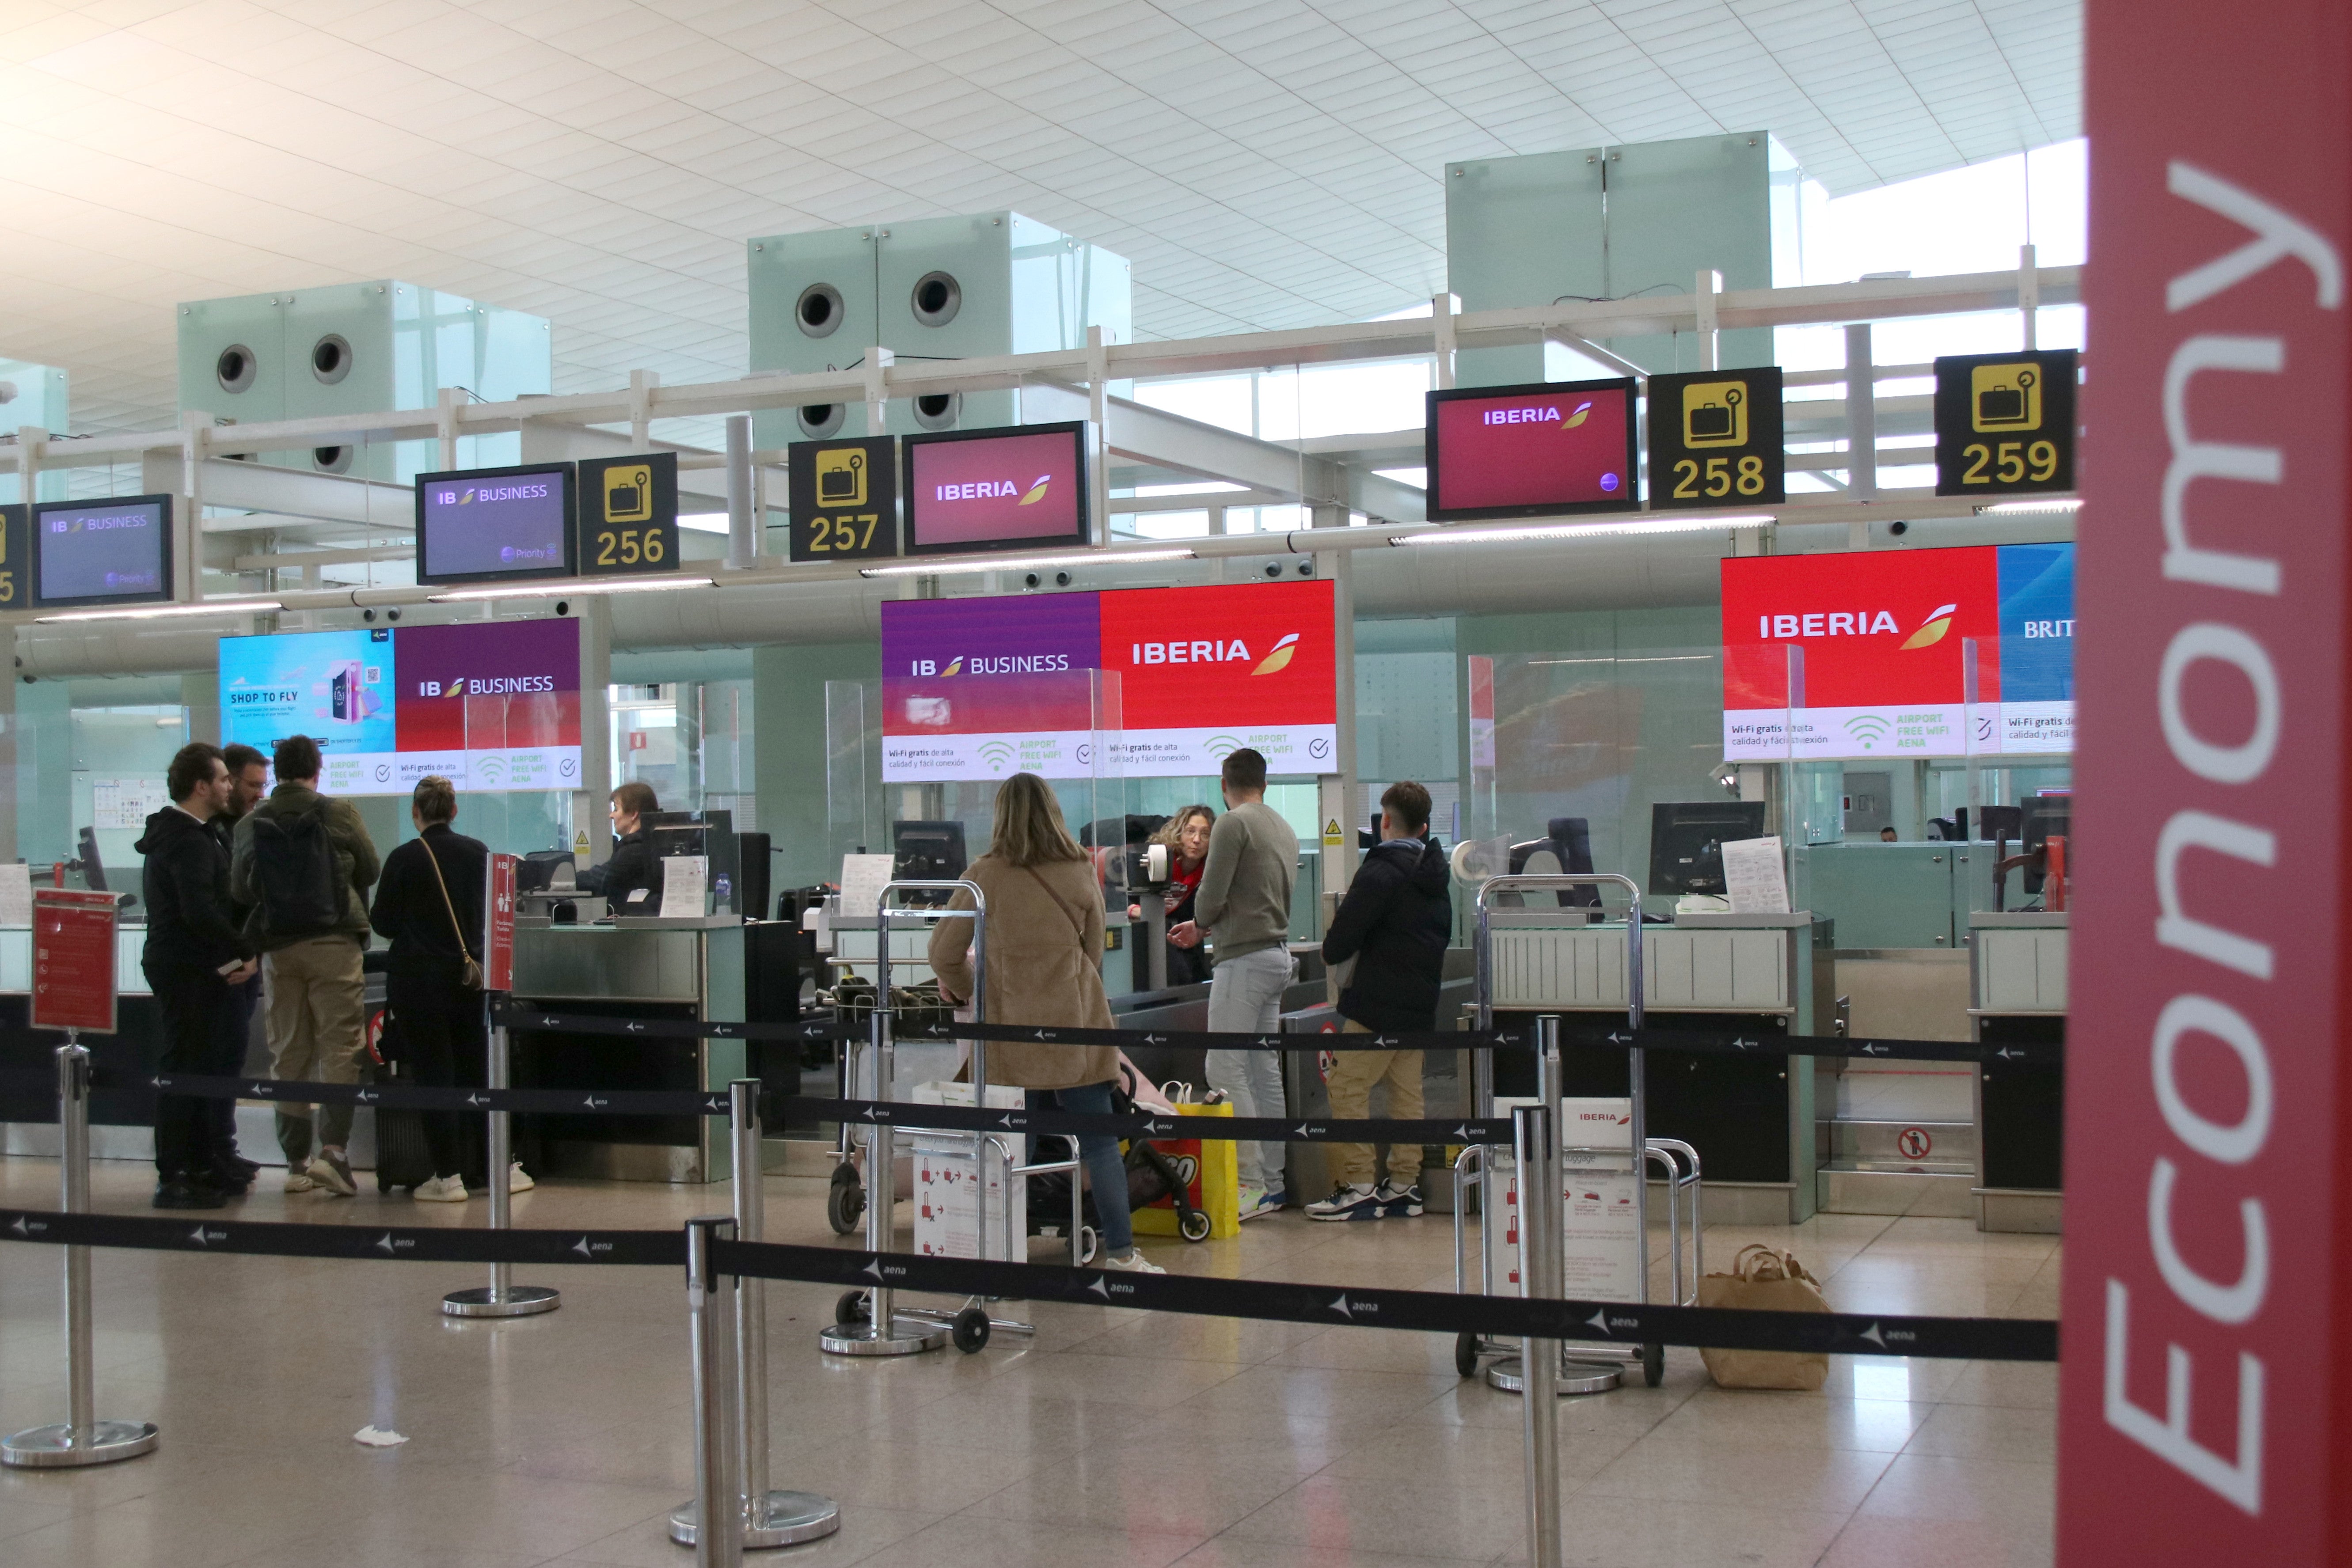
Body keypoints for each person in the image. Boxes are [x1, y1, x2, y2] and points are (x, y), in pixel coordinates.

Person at [927, 773, 1163, 1273]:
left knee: (1013, 1146)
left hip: (1010, 1031)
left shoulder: (984, 875)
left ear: (1001, 815)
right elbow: (1094, 953)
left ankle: (999, 1251)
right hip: (1075, 1027)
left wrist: (972, 987)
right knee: (1099, 1144)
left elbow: (942, 952)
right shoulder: (1079, 870)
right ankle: (1122, 1254)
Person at [231, 734, 380, 1197]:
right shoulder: (340, 812)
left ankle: (296, 1162)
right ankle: (333, 1153)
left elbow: (239, 890)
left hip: (279, 947)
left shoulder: (251, 824)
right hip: (335, 941)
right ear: (318, 769)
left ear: (277, 771)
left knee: (288, 1050)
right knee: (339, 1048)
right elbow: (371, 870)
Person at [370, 776, 525, 1202]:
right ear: (454, 811)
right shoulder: (478, 852)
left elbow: (382, 922)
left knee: (435, 1073)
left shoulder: (405, 857)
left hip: (419, 984)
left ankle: (448, 1174)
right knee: (477, 1069)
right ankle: (497, 1165)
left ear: (415, 812)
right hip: (470, 979)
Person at [1307, 781, 1452, 1221]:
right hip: (1418, 1004)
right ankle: (1404, 1186)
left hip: (1376, 1005)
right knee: (1406, 1095)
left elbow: (1339, 942)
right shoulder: (1435, 876)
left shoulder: (1380, 870)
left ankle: (1358, 1185)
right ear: (1424, 825)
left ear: (1385, 820)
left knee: (1348, 1087)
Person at [138, 744, 258, 1209]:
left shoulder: (203, 835)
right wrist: (244, 949)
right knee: (186, 1066)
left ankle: (203, 1157)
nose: (230, 786)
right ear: (201, 785)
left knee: (207, 1062)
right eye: (224, 779)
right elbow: (199, 912)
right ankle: (178, 1171)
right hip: (184, 968)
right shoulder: (186, 840)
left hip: (199, 965)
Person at [1193, 747, 1298, 1222]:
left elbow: (1209, 898)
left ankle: (1251, 1184)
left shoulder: (1233, 824)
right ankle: (1273, 1183)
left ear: (1223, 783)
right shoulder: (1281, 825)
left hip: (1242, 961)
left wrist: (1199, 921)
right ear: (1265, 783)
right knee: (1262, 1072)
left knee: (1223, 1068)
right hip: (1276, 954)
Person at [208, 742, 270, 1185]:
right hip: (224, 962)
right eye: (250, 785)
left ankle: (224, 1147)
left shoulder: (251, 828)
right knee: (216, 1058)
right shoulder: (211, 835)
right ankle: (212, 1151)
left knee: (231, 1057)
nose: (257, 793)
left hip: (249, 958)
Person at [1144, 804, 1214, 986]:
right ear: (1179, 834)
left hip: (1184, 942)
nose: (1197, 840)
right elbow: (1125, 903)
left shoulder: (1210, 872)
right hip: (1147, 937)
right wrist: (1140, 911)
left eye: (1205, 834)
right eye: (1190, 831)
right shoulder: (1157, 858)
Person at [578, 781, 661, 914]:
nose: (612, 815)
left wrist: (565, 881)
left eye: (616, 809)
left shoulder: (634, 850)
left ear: (633, 814)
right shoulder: (651, 842)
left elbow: (600, 879)